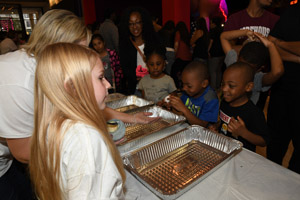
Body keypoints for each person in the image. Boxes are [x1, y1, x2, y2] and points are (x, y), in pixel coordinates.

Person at [0, 9, 91, 199]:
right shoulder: (19, 81)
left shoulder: (48, 67)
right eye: (79, 52)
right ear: (55, 45)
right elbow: (24, 151)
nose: (83, 58)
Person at [30, 43, 125, 200]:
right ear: (73, 88)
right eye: (101, 78)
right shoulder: (86, 138)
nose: (108, 84)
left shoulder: (52, 125)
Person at [266, 3, 300, 174]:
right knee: (275, 144)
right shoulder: (291, 12)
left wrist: (280, 43)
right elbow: (270, 45)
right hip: (282, 90)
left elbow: (275, 44)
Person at [220, 29, 284, 105]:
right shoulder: (233, 65)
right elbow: (223, 37)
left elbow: (278, 72)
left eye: (249, 69)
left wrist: (270, 45)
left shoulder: (257, 79)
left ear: (259, 69)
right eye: (241, 64)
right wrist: (246, 32)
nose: (243, 70)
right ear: (237, 58)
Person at [218, 62, 269, 152]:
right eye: (223, 84)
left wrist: (243, 133)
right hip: (224, 150)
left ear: (248, 87)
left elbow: (263, 141)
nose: (224, 89)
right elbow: (223, 124)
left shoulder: (253, 112)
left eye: (231, 86)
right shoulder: (225, 102)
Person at [119, 6, 161, 95]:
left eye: (138, 22)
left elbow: (162, 61)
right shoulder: (125, 44)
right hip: (136, 88)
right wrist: (135, 76)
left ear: (143, 23)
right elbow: (125, 68)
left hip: (154, 86)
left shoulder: (153, 41)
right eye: (131, 24)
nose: (135, 27)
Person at [167, 61, 219, 127]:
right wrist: (172, 106)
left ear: (204, 84)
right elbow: (180, 113)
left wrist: (184, 109)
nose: (184, 88)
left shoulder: (210, 99)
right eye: (183, 84)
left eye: (189, 86)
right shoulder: (188, 93)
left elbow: (202, 125)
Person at [171, 21, 192, 88]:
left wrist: (174, 54)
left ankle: (177, 87)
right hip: (188, 58)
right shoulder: (186, 35)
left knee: (173, 72)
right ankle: (184, 87)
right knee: (184, 74)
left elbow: (176, 45)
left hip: (180, 56)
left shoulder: (178, 33)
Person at [208, 16, 225, 91]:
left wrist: (208, 50)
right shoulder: (222, 30)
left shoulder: (213, 31)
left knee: (213, 71)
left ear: (214, 23)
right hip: (222, 53)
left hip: (214, 52)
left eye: (211, 23)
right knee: (218, 70)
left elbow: (211, 42)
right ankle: (218, 86)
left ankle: (213, 88)